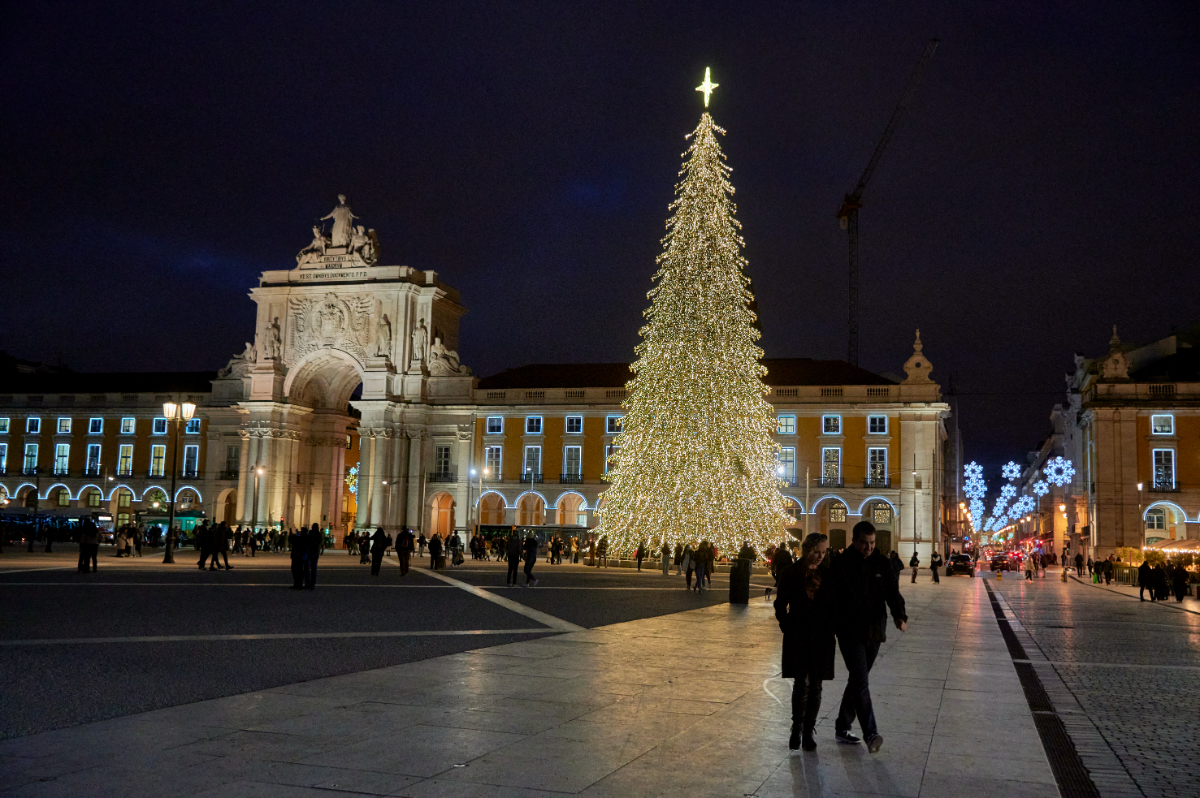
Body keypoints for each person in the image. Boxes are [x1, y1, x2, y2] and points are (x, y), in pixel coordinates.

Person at [829, 521, 907, 754]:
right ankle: (870, 733)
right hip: (849, 631)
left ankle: (842, 726)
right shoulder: (841, 564)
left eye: (872, 543)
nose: (868, 547)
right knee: (861, 680)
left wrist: (899, 616)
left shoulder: (882, 563)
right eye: (864, 543)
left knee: (857, 680)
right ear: (854, 541)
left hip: (874, 630)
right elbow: (832, 596)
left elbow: (893, 593)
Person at [774, 532, 834, 751]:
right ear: (805, 550)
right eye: (815, 552)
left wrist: (833, 628)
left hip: (822, 636)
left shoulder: (827, 574)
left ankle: (809, 731)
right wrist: (787, 626)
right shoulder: (791, 573)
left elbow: (835, 605)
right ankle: (796, 729)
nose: (819, 556)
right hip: (798, 634)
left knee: (816, 686)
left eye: (823, 552)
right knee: (801, 683)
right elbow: (780, 604)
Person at [304, 523, 323, 589]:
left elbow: (307, 541)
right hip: (316, 552)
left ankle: (308, 583)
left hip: (310, 552)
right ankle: (313, 584)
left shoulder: (311, 534)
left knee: (307, 568)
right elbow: (320, 542)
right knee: (314, 568)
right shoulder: (319, 534)